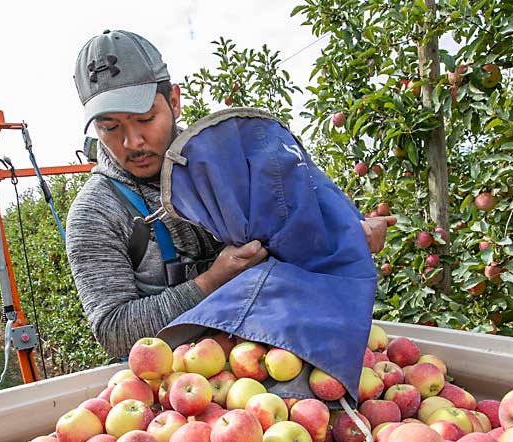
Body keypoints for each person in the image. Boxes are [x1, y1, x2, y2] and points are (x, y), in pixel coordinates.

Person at [67, 30, 394, 359]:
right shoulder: (96, 212)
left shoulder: (233, 164)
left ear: (175, 101)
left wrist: (347, 237)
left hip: (271, 358)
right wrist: (213, 280)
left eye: (146, 119)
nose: (132, 141)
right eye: (109, 127)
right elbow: (114, 331)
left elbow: (294, 234)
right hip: (169, 391)